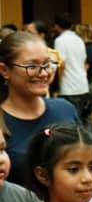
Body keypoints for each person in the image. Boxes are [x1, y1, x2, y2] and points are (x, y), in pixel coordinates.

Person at [0, 32, 79, 187]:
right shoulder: (2, 121)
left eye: (47, 64)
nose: (44, 73)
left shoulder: (65, 109)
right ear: (4, 70)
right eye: (32, 66)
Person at [52, 13, 90, 119]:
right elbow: (84, 61)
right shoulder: (79, 40)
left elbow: (61, 64)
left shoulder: (60, 40)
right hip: (82, 85)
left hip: (69, 87)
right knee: (78, 120)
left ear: (56, 26)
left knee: (68, 121)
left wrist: (57, 87)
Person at [76, 23, 92, 128]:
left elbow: (85, 67)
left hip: (87, 85)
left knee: (84, 119)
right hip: (90, 84)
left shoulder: (88, 49)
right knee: (86, 118)